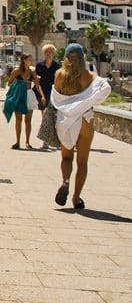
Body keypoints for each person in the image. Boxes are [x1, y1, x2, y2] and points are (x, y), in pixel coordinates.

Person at [51, 43, 111, 210]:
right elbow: (104, 89)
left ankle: (65, 181)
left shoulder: (59, 75)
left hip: (66, 120)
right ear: (83, 58)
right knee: (82, 162)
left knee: (66, 158)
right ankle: (76, 198)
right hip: (85, 119)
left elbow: (56, 99)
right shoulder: (90, 76)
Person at [5, 53, 43, 149]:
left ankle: (27, 142)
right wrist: (19, 84)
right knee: (18, 119)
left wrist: (42, 96)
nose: (31, 61)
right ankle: (17, 142)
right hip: (19, 96)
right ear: (24, 60)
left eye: (31, 59)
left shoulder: (32, 72)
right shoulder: (16, 71)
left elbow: (37, 85)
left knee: (28, 120)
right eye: (29, 59)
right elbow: (9, 83)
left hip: (29, 95)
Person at [35, 44, 61, 149]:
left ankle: (56, 141)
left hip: (54, 94)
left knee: (55, 118)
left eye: (50, 52)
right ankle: (45, 141)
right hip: (42, 94)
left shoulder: (57, 67)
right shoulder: (39, 66)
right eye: (47, 52)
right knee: (45, 117)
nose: (48, 54)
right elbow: (37, 82)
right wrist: (41, 95)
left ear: (53, 53)